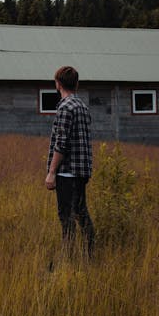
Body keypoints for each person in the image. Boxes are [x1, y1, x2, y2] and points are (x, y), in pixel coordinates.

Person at [45, 66, 95, 257]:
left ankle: (68, 259)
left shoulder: (65, 108)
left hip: (67, 172)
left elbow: (61, 143)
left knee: (66, 217)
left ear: (58, 84)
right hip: (82, 171)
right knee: (81, 214)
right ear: (76, 84)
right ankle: (88, 256)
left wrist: (51, 172)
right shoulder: (82, 106)